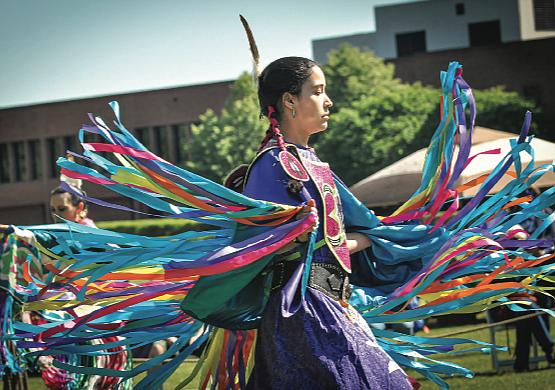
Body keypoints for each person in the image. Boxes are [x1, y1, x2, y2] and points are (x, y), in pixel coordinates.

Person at [233, 56, 412, 389]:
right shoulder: (272, 164)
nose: (328, 101)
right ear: (289, 101)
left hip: (331, 302)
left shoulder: (310, 160)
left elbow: (331, 242)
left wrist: (376, 238)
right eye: (317, 91)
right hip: (301, 309)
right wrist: (295, 234)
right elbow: (256, 247)